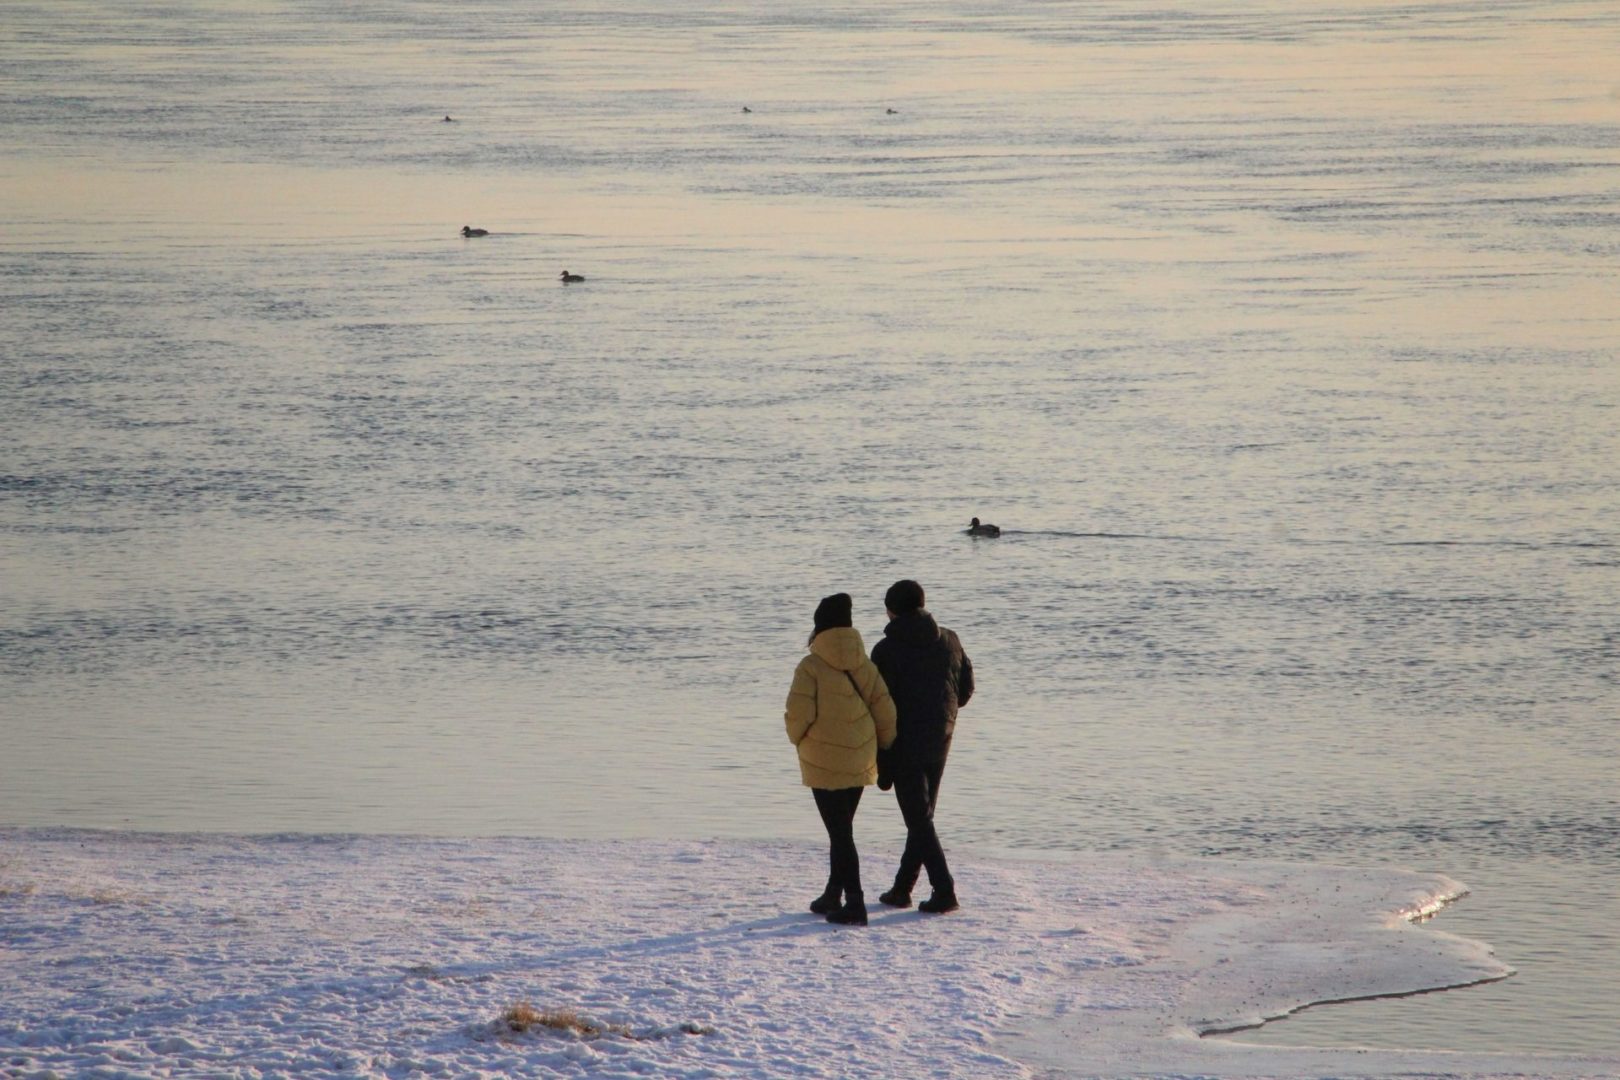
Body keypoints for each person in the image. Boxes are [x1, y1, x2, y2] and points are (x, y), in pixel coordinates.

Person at [785, 592, 897, 926]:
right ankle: (834, 892)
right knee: (842, 828)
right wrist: (884, 745)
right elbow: (885, 710)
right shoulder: (865, 664)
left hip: (822, 760)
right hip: (861, 757)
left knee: (840, 833)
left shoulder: (811, 666)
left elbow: (798, 715)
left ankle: (855, 903)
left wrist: (798, 740)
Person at [871, 579, 973, 914]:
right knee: (922, 817)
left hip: (904, 743)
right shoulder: (950, 639)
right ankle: (902, 888)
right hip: (941, 736)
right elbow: (966, 690)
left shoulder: (885, 650)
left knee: (919, 818)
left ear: (892, 611)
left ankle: (944, 890)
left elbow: (878, 704)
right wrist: (943, 714)